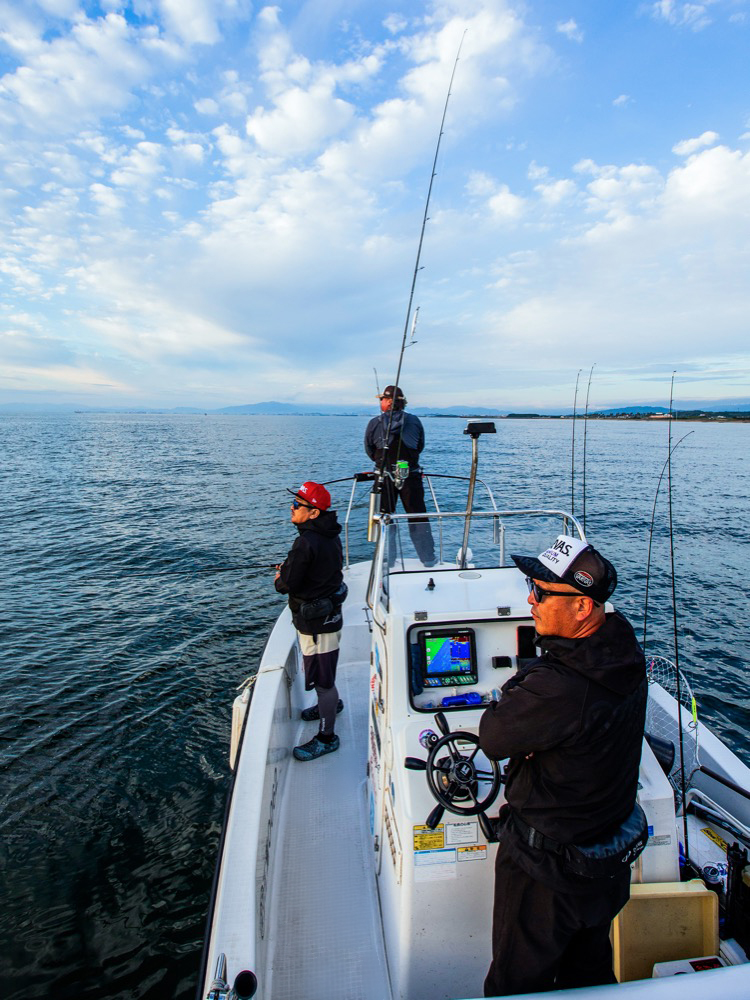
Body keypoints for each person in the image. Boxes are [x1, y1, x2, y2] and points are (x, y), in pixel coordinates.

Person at [478, 534, 647, 996]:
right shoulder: (623, 648)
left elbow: (493, 736)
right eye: (531, 587)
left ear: (582, 608)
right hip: (603, 869)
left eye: (541, 592)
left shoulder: (560, 690)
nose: (529, 601)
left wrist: (518, 700)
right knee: (588, 975)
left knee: (515, 983)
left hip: (544, 874)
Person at [275, 481, 346, 762]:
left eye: (298, 505)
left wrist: (281, 577)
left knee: (323, 682)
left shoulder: (305, 542)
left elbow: (285, 585)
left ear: (313, 513)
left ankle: (327, 738)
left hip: (318, 627)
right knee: (324, 677)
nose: (292, 508)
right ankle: (329, 704)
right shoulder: (328, 534)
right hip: (327, 618)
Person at [364, 384, 436, 566]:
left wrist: (382, 463)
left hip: (384, 476)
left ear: (388, 402)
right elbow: (420, 446)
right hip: (409, 475)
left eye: (382, 399)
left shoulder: (375, 423)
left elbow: (369, 449)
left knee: (385, 516)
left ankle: (388, 560)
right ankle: (427, 559)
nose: (380, 402)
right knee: (417, 516)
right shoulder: (414, 421)